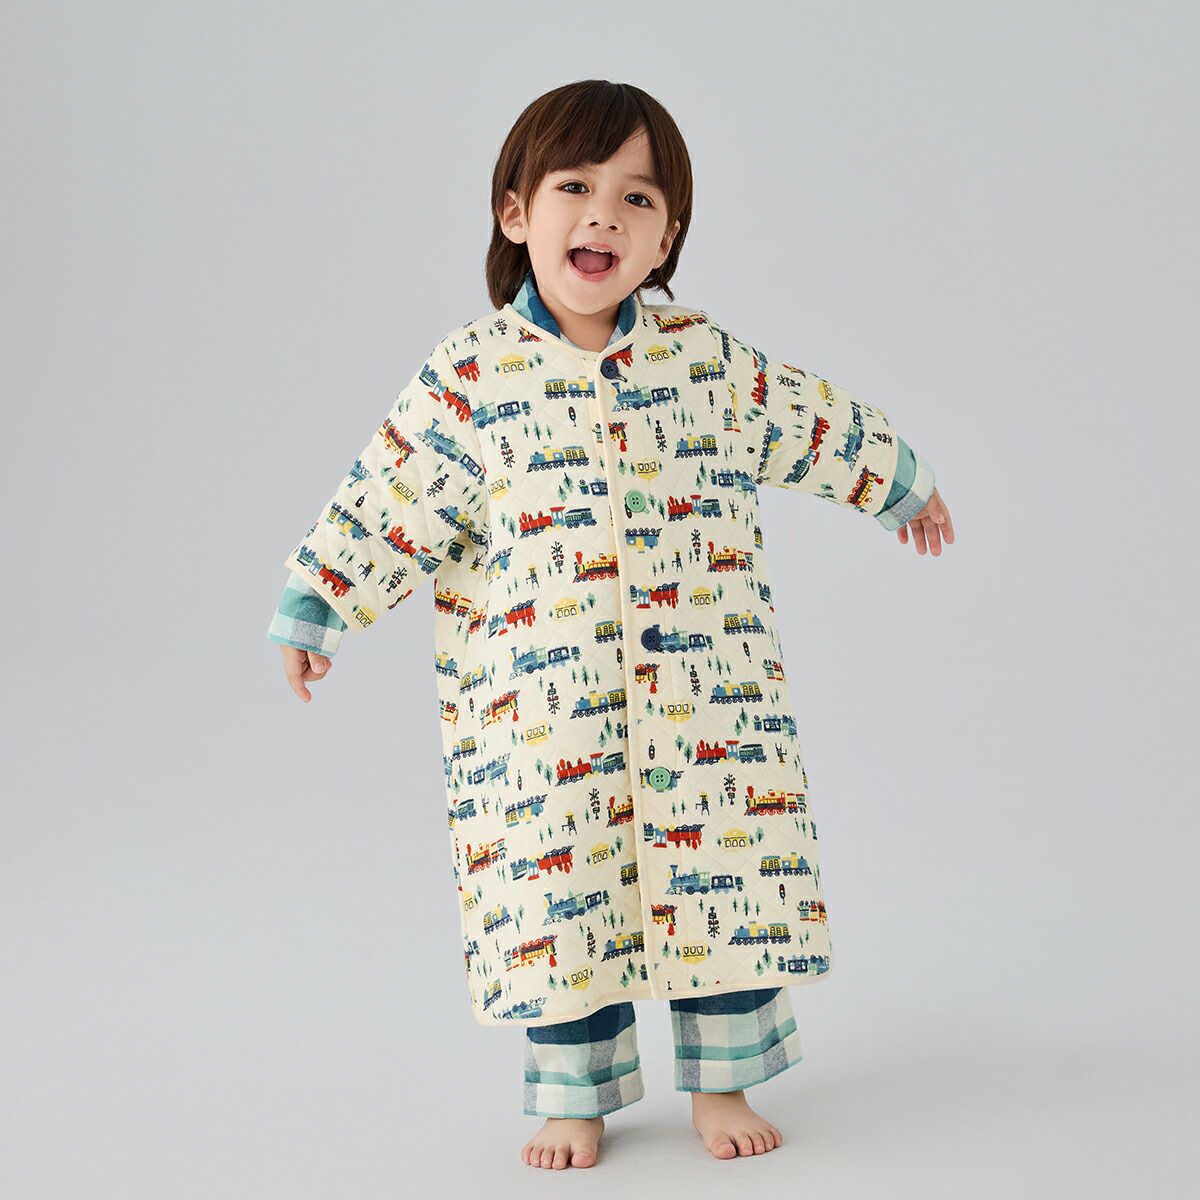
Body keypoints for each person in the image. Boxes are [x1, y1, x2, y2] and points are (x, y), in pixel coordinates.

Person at [268, 80, 954, 1170]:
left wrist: (897, 481)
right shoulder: (472, 377)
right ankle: (574, 1096)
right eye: (575, 187)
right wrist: (320, 604)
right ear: (515, 213)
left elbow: (806, 416)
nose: (604, 215)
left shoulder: (705, 362)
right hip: (545, 718)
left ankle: (723, 1081)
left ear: (666, 237)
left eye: (638, 198)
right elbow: (392, 494)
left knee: (727, 885)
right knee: (560, 896)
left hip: (705, 699)